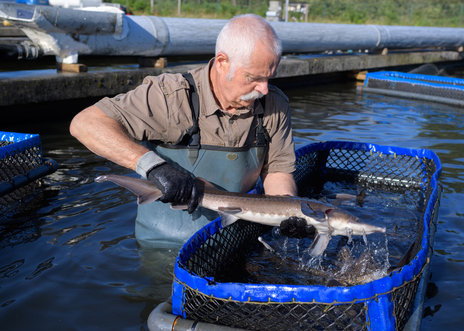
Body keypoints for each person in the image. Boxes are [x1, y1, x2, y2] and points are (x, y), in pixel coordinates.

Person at [70, 14, 314, 249]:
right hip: (164, 242)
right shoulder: (171, 96)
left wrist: (288, 209)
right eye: (253, 78)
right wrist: (154, 167)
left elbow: (277, 170)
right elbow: (85, 123)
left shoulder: (274, 104)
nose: (263, 89)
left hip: (230, 239)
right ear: (222, 62)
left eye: (269, 78)